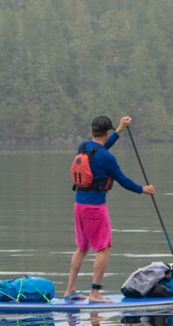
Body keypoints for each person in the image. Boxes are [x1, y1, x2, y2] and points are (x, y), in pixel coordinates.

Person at [65, 115, 155, 303]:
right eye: (111, 132)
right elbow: (123, 180)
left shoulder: (83, 148)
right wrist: (143, 189)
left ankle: (70, 290)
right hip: (95, 208)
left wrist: (120, 129)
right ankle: (95, 293)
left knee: (82, 247)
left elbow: (101, 149)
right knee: (104, 248)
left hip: (79, 205)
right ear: (107, 132)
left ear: (93, 130)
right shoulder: (106, 157)